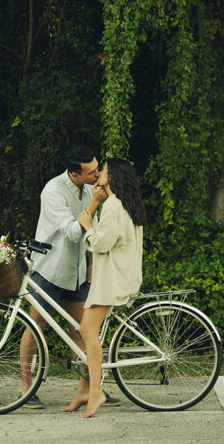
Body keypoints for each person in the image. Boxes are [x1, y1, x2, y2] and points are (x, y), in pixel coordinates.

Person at [19, 146, 120, 409]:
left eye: (98, 168)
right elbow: (73, 232)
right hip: (50, 270)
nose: (97, 174)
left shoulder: (88, 188)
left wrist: (90, 264)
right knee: (34, 328)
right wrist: (96, 202)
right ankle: (26, 390)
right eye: (92, 172)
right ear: (74, 174)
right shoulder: (53, 191)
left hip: (76, 274)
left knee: (81, 330)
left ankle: (88, 390)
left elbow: (92, 229)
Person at [67, 157, 146, 418]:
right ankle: (83, 391)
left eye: (104, 171)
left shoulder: (113, 206)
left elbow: (101, 244)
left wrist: (89, 226)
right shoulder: (122, 204)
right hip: (120, 276)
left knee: (87, 331)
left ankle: (95, 392)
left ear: (112, 178)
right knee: (89, 333)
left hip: (112, 280)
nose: (99, 173)